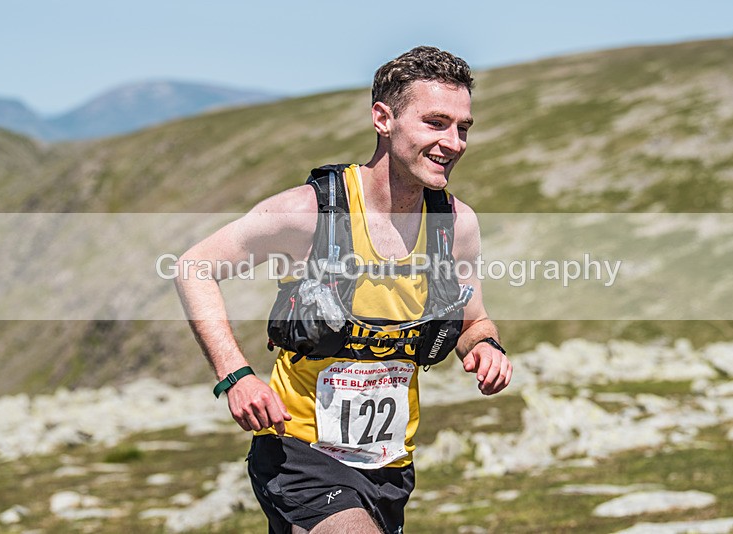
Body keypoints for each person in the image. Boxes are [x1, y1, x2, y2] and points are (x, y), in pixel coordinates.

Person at [175, 46, 513, 534]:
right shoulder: (308, 213)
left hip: (389, 466)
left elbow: (472, 318)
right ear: (383, 118)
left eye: (463, 127)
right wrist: (236, 376)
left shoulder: (454, 224)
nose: (454, 142)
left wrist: (485, 346)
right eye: (436, 123)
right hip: (298, 454)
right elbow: (194, 267)